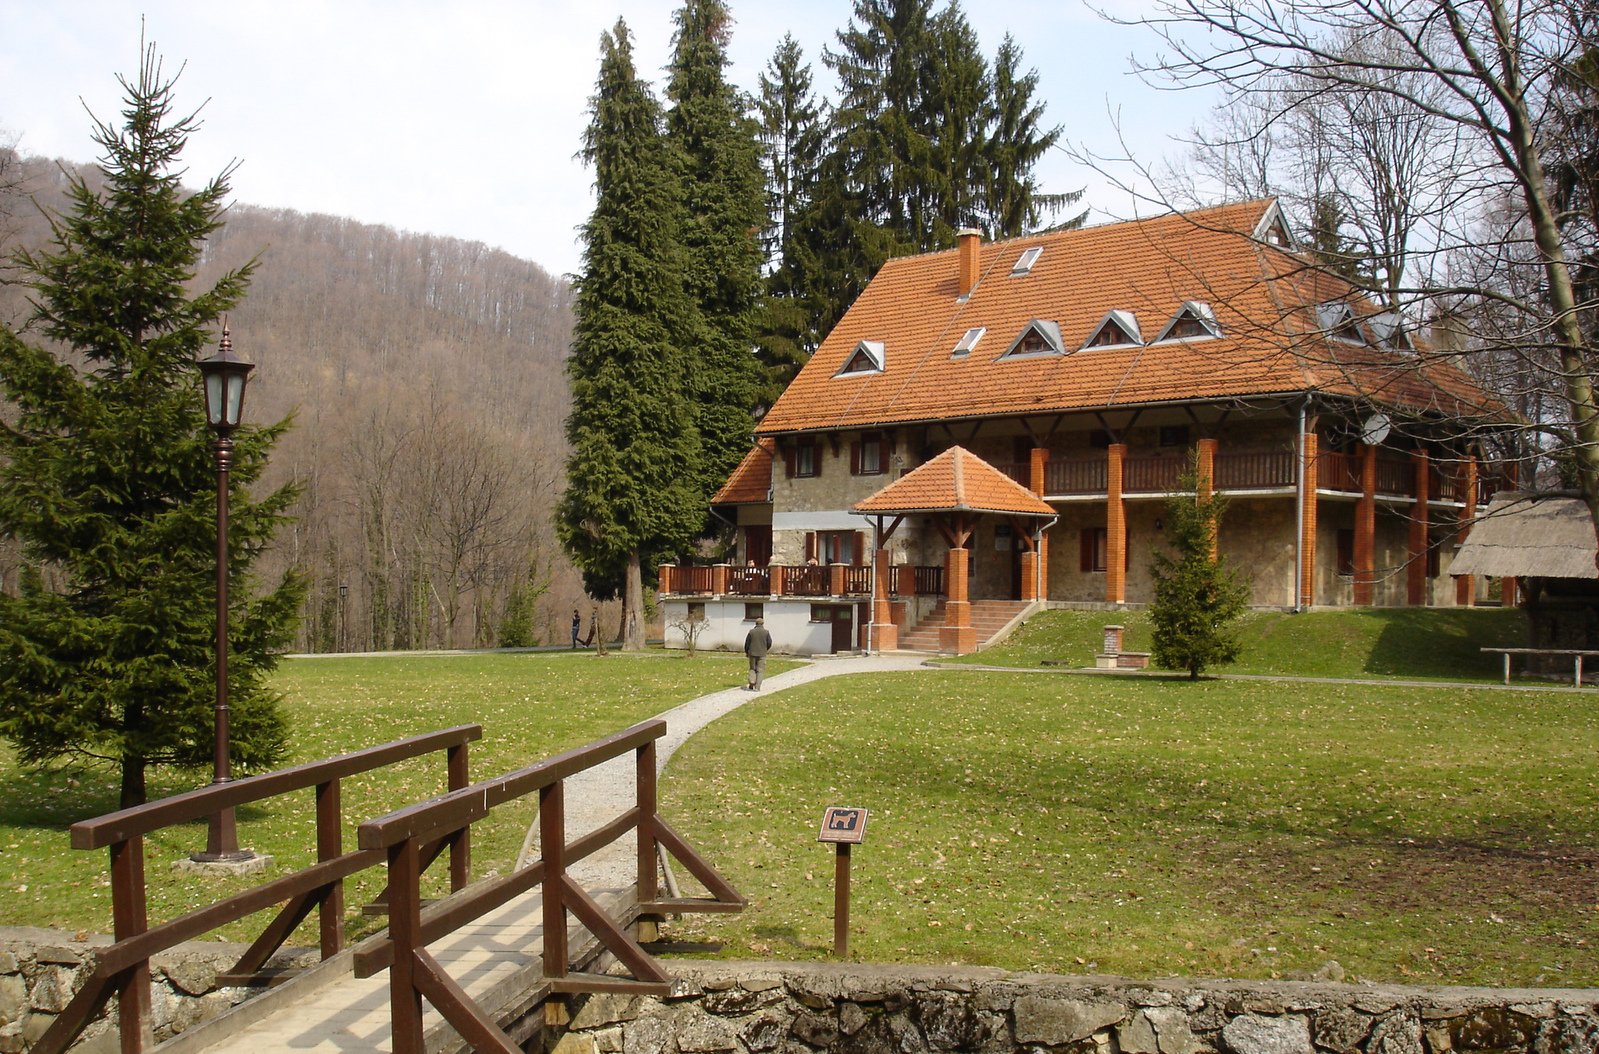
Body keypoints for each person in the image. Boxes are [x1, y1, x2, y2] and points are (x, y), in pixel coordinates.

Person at [743, 617, 773, 690]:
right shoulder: (766, 632)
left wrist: (747, 652)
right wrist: (765, 649)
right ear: (763, 623)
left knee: (752, 669)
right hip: (762, 654)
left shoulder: (751, 632)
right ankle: (757, 687)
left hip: (752, 653)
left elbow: (747, 643)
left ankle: (752, 682)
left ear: (755, 623)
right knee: (760, 670)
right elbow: (769, 642)